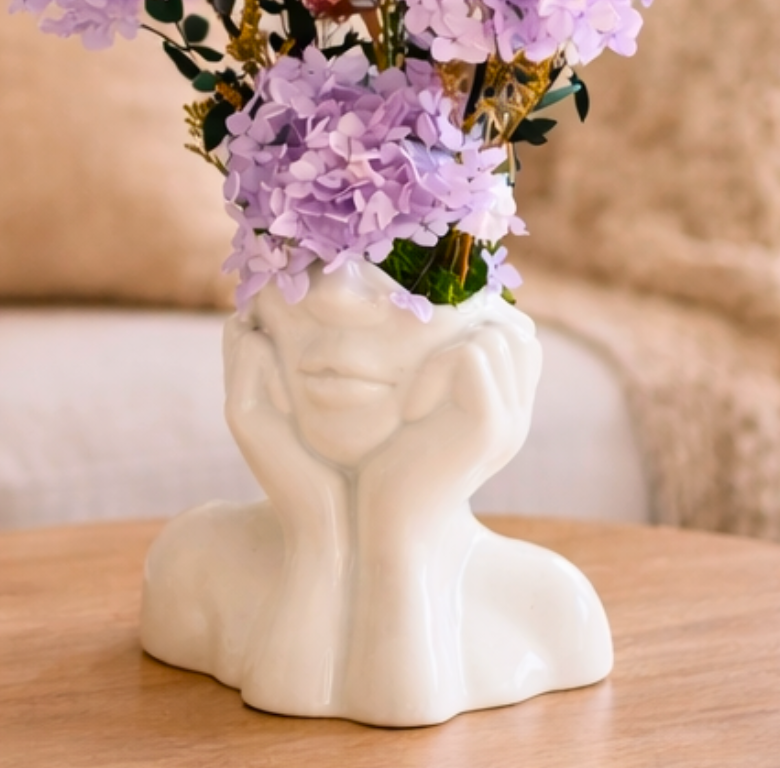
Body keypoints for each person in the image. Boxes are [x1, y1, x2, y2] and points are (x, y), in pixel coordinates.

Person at [141, 258, 613, 727]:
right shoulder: (191, 568)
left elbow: (403, 714)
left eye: (398, 264)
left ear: (503, 355)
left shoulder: (554, 610)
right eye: (301, 258)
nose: (333, 298)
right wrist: (317, 532)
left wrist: (398, 532)